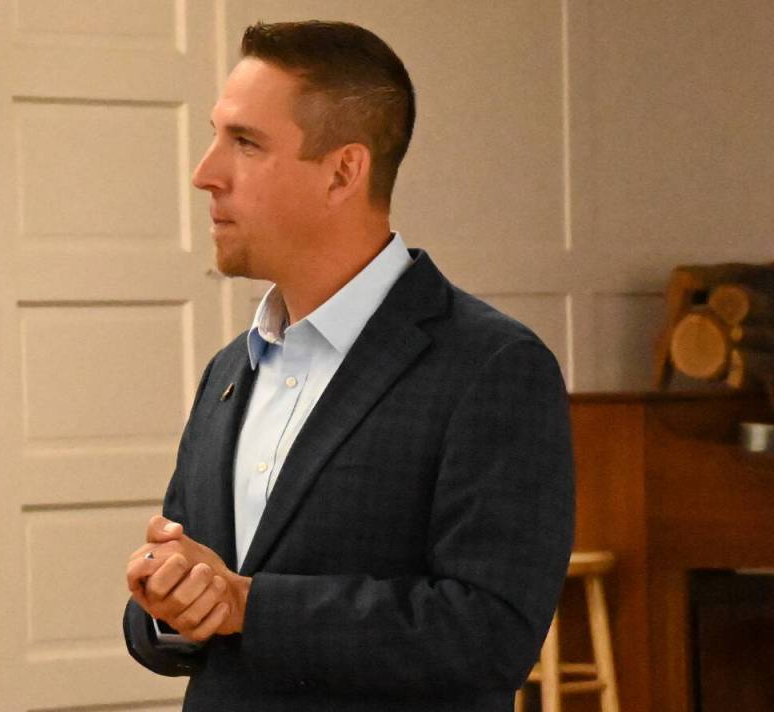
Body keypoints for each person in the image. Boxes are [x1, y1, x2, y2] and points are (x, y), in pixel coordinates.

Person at [122, 20, 574, 712]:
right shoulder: (225, 373)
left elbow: (491, 632)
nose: (205, 172)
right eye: (217, 136)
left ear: (342, 171)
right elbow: (186, 611)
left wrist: (249, 605)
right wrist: (166, 598)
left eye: (244, 142)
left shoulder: (494, 367)